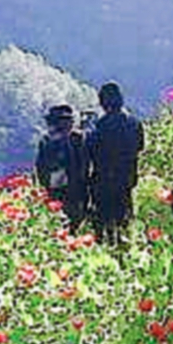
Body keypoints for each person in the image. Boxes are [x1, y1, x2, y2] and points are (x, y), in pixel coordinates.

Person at [86, 82, 144, 243]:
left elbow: (90, 152)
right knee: (124, 222)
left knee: (103, 224)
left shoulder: (99, 126)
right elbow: (140, 147)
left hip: (103, 181)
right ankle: (124, 248)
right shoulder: (134, 123)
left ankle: (105, 247)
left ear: (102, 103)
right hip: (126, 179)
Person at [35, 104, 89, 223]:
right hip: (68, 189)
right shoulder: (51, 140)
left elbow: (41, 169)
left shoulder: (75, 138)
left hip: (69, 188)